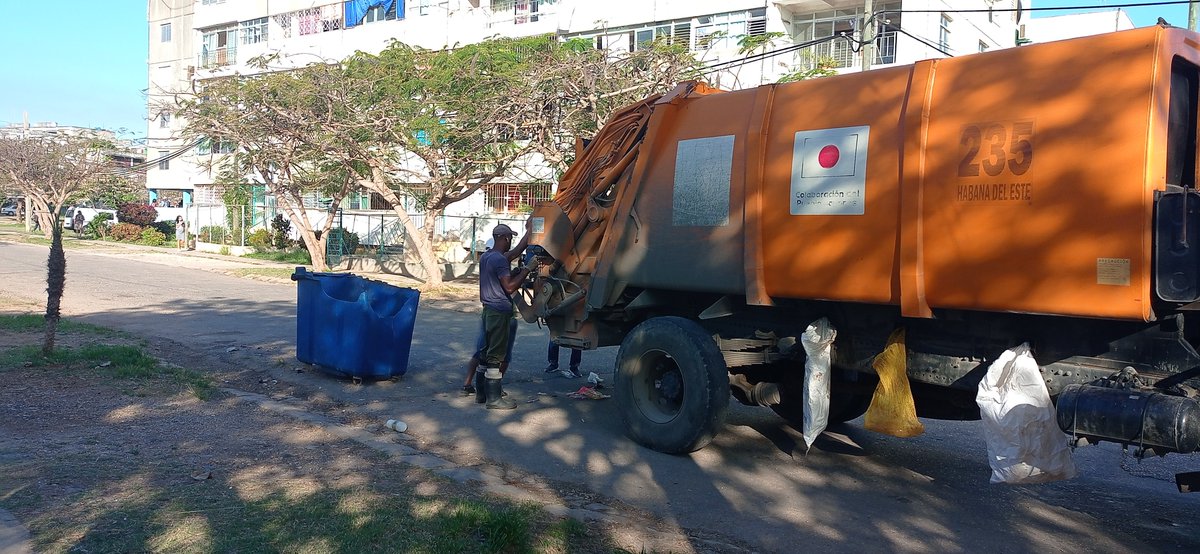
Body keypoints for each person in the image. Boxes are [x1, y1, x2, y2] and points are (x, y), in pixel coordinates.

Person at [474, 222, 538, 409]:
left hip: (488, 310)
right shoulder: (500, 260)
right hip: (499, 312)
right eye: (511, 239)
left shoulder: (487, 256)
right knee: (496, 355)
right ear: (505, 238)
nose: (511, 243)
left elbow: (513, 255)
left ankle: (481, 394)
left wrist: (531, 232)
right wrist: (527, 270)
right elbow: (509, 287)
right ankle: (494, 400)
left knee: (485, 353)